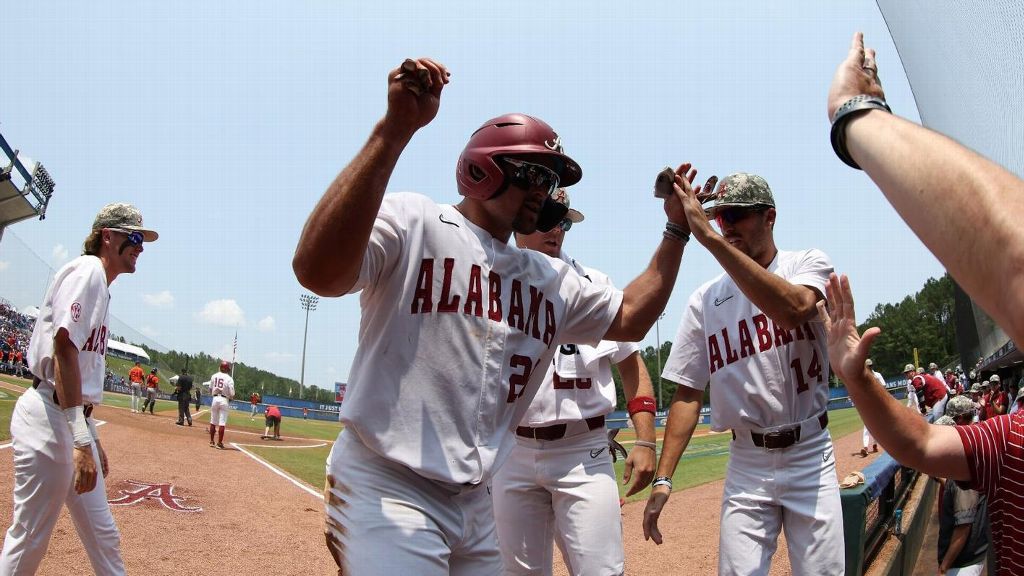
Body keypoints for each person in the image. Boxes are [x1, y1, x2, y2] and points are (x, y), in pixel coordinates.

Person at [293, 57, 696, 575]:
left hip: (477, 500)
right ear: (482, 169)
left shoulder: (549, 277)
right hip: (387, 482)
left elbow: (634, 315)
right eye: (533, 173)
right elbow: (317, 272)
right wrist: (392, 134)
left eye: (548, 180)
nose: (543, 191)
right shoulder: (416, 220)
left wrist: (676, 232)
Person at [642, 172, 844, 575]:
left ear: (769, 217)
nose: (726, 224)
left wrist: (710, 239)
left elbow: (793, 309)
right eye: (719, 216)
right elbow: (687, 393)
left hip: (809, 452)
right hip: (747, 461)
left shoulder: (807, 263)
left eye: (736, 214)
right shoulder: (706, 300)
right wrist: (663, 479)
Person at [492, 189, 658, 576]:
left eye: (564, 221)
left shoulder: (592, 283)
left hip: (582, 449)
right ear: (520, 220)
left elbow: (632, 366)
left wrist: (646, 440)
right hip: (511, 450)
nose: (557, 230)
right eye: (548, 219)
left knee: (601, 570)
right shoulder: (490, 281)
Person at [0, 202, 157, 574]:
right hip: (49, 418)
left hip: (69, 419)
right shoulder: (89, 272)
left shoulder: (100, 282)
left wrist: (90, 437)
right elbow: (64, 348)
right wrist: (81, 441)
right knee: (30, 537)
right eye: (133, 237)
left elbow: (78, 366)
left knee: (104, 535)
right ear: (108, 236)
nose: (141, 246)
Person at [860, 358, 886, 456]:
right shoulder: (863, 377)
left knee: (876, 426)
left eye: (871, 366)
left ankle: (874, 444)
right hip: (867, 403)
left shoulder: (877, 375)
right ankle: (865, 447)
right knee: (866, 426)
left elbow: (884, 385)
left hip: (877, 402)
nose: (870, 368)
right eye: (868, 366)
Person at [207, 361, 235, 449]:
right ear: (227, 369)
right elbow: (232, 393)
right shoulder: (229, 378)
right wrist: (231, 397)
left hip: (215, 398)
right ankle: (219, 443)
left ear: (220, 367)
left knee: (213, 421)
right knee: (222, 423)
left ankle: (212, 441)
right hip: (224, 399)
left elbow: (210, 389)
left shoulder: (214, 376)